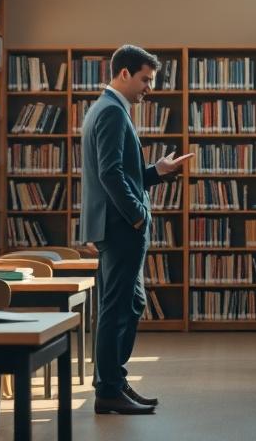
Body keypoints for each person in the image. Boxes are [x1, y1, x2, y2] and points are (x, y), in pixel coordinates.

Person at [79, 45, 193, 415]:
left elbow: (122, 173)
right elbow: (110, 173)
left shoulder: (106, 108)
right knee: (116, 308)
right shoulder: (112, 112)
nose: (149, 88)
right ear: (124, 73)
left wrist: (156, 171)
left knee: (131, 303)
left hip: (117, 223)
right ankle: (109, 390)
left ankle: (115, 380)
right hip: (121, 225)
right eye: (145, 79)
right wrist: (137, 215)